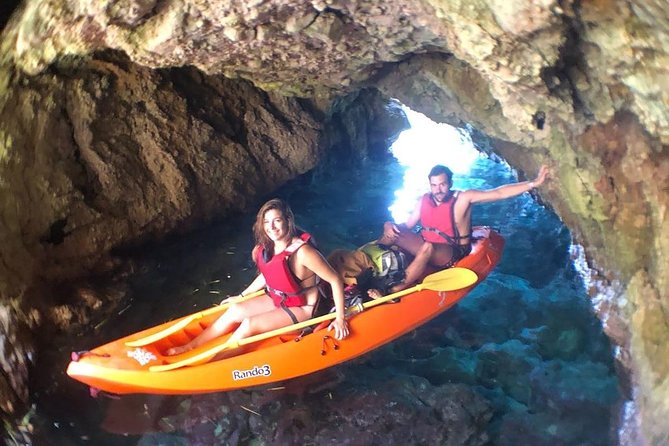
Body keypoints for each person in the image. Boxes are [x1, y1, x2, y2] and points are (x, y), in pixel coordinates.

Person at [166, 199, 349, 356]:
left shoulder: (304, 252)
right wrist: (242, 296)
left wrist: (340, 318)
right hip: (280, 299)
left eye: (277, 221)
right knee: (235, 310)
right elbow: (267, 275)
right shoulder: (270, 247)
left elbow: (334, 280)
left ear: (288, 221)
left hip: (304, 308)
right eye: (267, 222)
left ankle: (215, 361)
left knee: (249, 325)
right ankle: (191, 346)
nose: (271, 227)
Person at [382, 164, 550, 292]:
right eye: (434, 185)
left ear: (450, 183)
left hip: (451, 251)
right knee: (393, 232)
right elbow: (408, 225)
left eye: (442, 184)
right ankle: (367, 261)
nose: (438, 190)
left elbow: (499, 193)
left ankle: (396, 288)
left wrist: (534, 183)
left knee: (428, 247)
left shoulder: (463, 198)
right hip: (427, 243)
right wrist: (389, 225)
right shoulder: (424, 200)